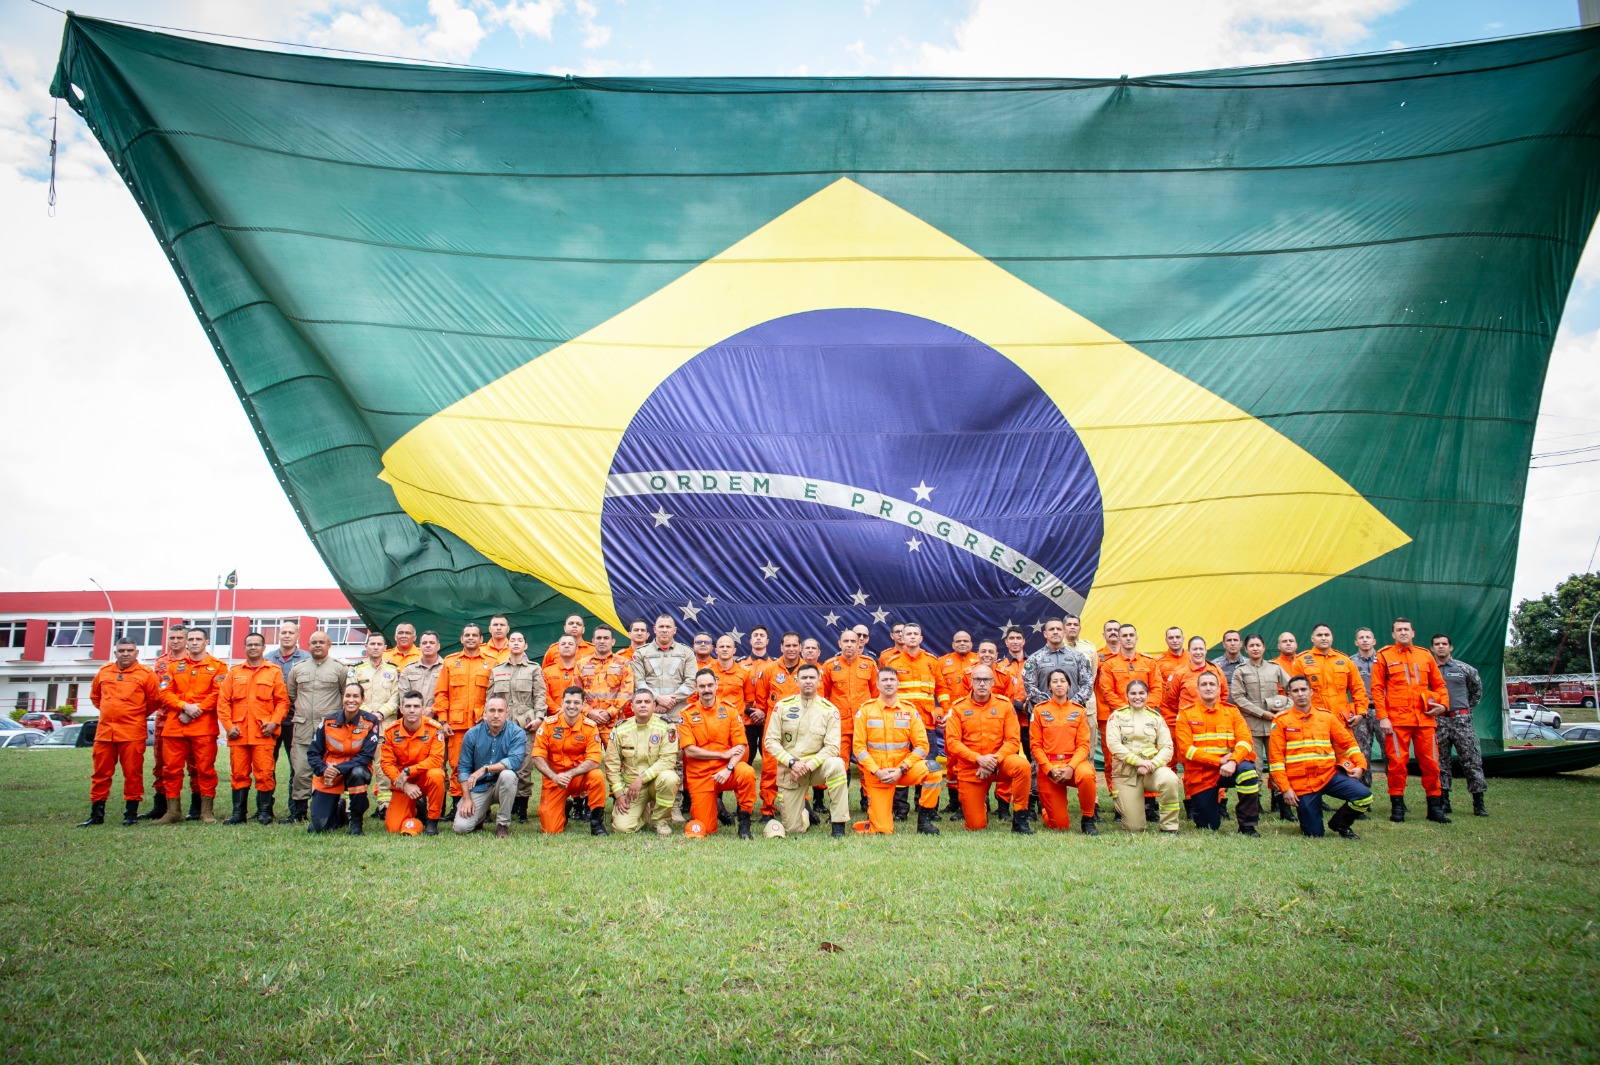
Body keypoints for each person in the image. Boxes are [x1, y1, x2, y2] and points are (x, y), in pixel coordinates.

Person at [80, 637, 173, 827]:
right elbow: (96, 697)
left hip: (132, 732)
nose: (125, 654)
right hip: (105, 732)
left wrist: (135, 713)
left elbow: (155, 700)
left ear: (136, 653)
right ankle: (97, 814)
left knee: (132, 774)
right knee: (100, 774)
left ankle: (130, 814)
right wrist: (111, 712)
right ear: (115, 652)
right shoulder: (104, 671)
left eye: (129, 650)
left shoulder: (145, 674)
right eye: (121, 650)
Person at [1270, 676, 1372, 838]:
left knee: (1364, 797)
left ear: (1311, 692)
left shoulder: (1327, 717)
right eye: (1295, 691)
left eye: (1303, 689)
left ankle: (1340, 824)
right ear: (1289, 695)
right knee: (1314, 834)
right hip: (1302, 783)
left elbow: (1348, 744)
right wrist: (1285, 789)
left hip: (1328, 776)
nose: (1300, 694)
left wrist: (1360, 765)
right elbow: (1276, 760)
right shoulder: (1281, 721)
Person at [1372, 618, 1450, 824]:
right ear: (1393, 634)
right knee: (1397, 764)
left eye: (1406, 629)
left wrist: (1443, 705)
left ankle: (1434, 808)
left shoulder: (1425, 655)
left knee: (1431, 764)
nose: (1403, 632)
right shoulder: (1384, 655)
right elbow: (1377, 689)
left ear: (1413, 633)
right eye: (1399, 630)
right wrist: (1383, 717)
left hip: (1425, 720)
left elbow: (1440, 685)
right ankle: (1397, 807)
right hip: (1397, 721)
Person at [853, 667, 944, 835]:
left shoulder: (909, 710)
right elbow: (858, 748)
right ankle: (872, 821)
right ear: (877, 685)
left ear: (898, 684)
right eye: (884, 680)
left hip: (903, 770)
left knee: (934, 769)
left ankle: (924, 822)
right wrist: (877, 771)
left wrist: (901, 769)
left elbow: (922, 746)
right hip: (878, 775)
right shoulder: (865, 710)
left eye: (892, 680)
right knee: (883, 830)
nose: (888, 683)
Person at [152, 627, 227, 825]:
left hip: (203, 727)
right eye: (191, 639)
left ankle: (206, 811)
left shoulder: (218, 666)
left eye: (198, 639)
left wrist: (197, 710)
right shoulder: (174, 667)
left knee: (205, 769)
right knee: (171, 769)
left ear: (206, 642)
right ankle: (173, 811)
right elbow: (164, 693)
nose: (194, 643)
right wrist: (184, 706)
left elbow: (218, 693)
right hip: (175, 725)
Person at [946, 666, 1033, 833]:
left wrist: (992, 761)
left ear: (993, 682)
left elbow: (1013, 740)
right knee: (975, 826)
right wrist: (979, 759)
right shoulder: (958, 708)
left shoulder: (1004, 705)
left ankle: (1020, 817)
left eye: (986, 680)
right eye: (978, 679)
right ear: (971, 682)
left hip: (999, 763)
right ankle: (980, 805)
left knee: (1022, 766)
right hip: (971, 766)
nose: (982, 684)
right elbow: (952, 743)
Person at [765, 664, 848, 837]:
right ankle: (805, 814)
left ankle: (838, 824)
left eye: (812, 678)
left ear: (819, 681)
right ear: (797, 681)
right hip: (791, 770)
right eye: (804, 678)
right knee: (793, 829)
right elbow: (770, 741)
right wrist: (792, 763)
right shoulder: (782, 707)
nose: (808, 681)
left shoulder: (829, 710)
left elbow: (833, 747)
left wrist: (808, 765)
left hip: (816, 767)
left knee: (837, 764)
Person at [217, 631, 290, 825]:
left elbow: (282, 702)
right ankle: (238, 813)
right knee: (238, 774)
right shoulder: (234, 672)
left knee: (264, 773)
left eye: (257, 644)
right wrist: (228, 726)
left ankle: (265, 812)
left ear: (264, 648)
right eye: (249, 644)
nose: (253, 647)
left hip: (263, 732)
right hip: (238, 733)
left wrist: (274, 722)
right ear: (244, 648)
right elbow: (223, 702)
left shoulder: (273, 671)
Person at [1174, 672, 1260, 834]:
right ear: (1197, 689)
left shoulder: (1232, 712)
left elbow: (1245, 742)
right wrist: (1219, 761)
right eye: (1204, 684)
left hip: (1230, 768)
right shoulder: (1186, 714)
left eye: (1212, 684)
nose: (1208, 688)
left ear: (1219, 688)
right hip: (1201, 775)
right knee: (1207, 826)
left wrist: (1233, 761)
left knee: (1247, 771)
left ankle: (1247, 825)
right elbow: (1186, 750)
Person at [1094, 624, 1165, 807]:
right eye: (1124, 635)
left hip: (1146, 718)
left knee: (1149, 754)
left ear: (1136, 638)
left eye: (1131, 635)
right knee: (1114, 760)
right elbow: (1107, 691)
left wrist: (1143, 710)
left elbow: (1157, 688)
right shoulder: (1109, 664)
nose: (1127, 638)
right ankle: (1120, 801)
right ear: (1118, 638)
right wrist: (1127, 712)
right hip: (1118, 719)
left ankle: (1149, 801)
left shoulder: (1149, 663)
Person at [681, 669, 756, 838]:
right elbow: (689, 750)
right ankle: (717, 806)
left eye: (710, 685)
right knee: (706, 828)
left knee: (746, 772)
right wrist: (722, 755)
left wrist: (729, 767)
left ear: (716, 685)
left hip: (726, 770)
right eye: (702, 686)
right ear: (696, 688)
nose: (706, 689)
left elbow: (741, 745)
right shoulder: (686, 714)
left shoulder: (729, 710)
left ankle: (744, 822)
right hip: (701, 775)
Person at [283, 630, 346, 825]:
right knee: (300, 769)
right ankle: (299, 811)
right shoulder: (297, 669)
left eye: (321, 642)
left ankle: (330, 807)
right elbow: (291, 695)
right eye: (314, 642)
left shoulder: (340, 669)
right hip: (303, 727)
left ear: (329, 645)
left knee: (330, 768)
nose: (317, 645)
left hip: (329, 730)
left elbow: (346, 696)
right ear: (308, 645)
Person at [529, 686, 608, 835]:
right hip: (555, 778)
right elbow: (537, 756)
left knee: (596, 776)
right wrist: (554, 776)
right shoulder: (548, 724)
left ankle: (597, 823)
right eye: (568, 702)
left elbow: (594, 760)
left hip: (579, 777)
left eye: (576, 702)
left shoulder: (590, 727)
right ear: (562, 703)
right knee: (551, 830)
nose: (572, 706)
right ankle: (564, 806)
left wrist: (569, 774)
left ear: (583, 705)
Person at [1104, 680, 1181, 833]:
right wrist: (1138, 762)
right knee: (1134, 827)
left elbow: (1167, 747)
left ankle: (1169, 826)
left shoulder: (1156, 718)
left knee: (1170, 779)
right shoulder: (1116, 717)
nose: (1137, 697)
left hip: (1151, 771)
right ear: (1126, 696)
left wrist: (1152, 764)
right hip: (1126, 773)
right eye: (1133, 693)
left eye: (1141, 693)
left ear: (1148, 695)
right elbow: (1113, 745)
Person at [434, 623, 496, 811]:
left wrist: (488, 715)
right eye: (467, 635)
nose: (470, 638)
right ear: (461, 639)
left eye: (474, 635)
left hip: (482, 725)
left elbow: (495, 694)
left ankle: (482, 807)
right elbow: (441, 693)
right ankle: (456, 805)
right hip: (456, 726)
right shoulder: (450, 662)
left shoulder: (491, 662)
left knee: (482, 765)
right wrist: (443, 720)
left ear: (481, 639)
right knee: (457, 765)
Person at [886, 622, 945, 820]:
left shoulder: (931, 662)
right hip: (900, 723)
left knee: (929, 764)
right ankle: (900, 809)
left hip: (926, 724)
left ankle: (927, 807)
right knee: (900, 762)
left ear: (921, 638)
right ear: (902, 638)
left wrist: (943, 710)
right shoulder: (893, 663)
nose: (912, 636)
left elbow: (942, 690)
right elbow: (886, 692)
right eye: (908, 633)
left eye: (915, 634)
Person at [1231, 634, 1292, 819]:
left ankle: (1284, 808)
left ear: (1264, 648)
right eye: (1251, 646)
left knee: (1278, 764)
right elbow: (1238, 697)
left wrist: (1285, 707)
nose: (1255, 648)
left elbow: (1293, 688)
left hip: (1275, 725)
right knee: (1255, 766)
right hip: (1252, 725)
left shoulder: (1275, 668)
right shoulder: (1241, 671)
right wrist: (1261, 713)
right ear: (1246, 649)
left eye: (1258, 645)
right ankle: (1254, 806)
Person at [307, 682, 381, 835]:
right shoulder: (328, 722)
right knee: (319, 828)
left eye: (355, 696)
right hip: (329, 774)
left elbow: (365, 757)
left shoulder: (370, 721)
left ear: (362, 700)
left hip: (354, 771)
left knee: (358, 773)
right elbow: (313, 753)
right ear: (343, 698)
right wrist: (324, 769)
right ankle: (339, 810)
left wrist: (338, 769)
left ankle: (356, 822)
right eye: (348, 696)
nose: (351, 700)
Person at [1029, 669, 1098, 834]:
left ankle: (1088, 819)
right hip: (1049, 766)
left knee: (1087, 775)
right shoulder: (1039, 711)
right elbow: (1035, 746)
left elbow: (1083, 745)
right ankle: (1048, 810)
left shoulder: (1079, 711)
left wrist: (1071, 767)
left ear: (1068, 686)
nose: (1059, 684)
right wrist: (1049, 769)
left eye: (1062, 681)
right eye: (1054, 681)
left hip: (1074, 763)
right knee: (1060, 825)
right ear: (1049, 687)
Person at [489, 632, 548, 822]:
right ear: (508, 645)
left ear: (525, 645)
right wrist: (487, 719)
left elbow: (540, 695)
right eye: (512, 640)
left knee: (524, 765)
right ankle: (506, 803)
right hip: (501, 724)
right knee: (501, 762)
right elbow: (489, 698)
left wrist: (539, 718)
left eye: (519, 641)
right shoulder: (497, 670)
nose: (516, 643)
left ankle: (521, 808)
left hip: (525, 724)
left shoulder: (533, 669)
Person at [604, 690, 681, 835]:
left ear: (654, 706)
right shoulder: (620, 729)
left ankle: (660, 821)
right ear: (632, 707)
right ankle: (643, 815)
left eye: (647, 702)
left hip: (656, 782)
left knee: (670, 778)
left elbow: (668, 760)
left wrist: (641, 778)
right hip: (632, 789)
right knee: (622, 828)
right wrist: (619, 794)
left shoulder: (666, 726)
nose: (643, 705)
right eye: (639, 702)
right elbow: (611, 765)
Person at [452, 695, 527, 837]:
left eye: (500, 711)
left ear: (507, 713)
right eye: (492, 710)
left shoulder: (517, 733)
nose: (496, 715)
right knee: (461, 828)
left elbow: (514, 761)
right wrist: (467, 798)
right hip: (479, 787)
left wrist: (485, 768)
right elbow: (463, 768)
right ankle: (480, 816)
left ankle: (502, 824)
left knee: (508, 775)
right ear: (485, 713)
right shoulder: (472, 734)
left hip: (503, 785)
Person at [1431, 634, 1487, 817]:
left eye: (1444, 644)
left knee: (1471, 760)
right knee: (1441, 762)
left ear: (1451, 647)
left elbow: (1476, 691)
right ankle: (1444, 800)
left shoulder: (1464, 668)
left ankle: (1478, 802)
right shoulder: (1428, 669)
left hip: (1461, 721)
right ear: (1432, 648)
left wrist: (1464, 709)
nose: (1441, 647)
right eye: (1437, 644)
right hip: (1438, 721)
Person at [821, 629, 877, 813]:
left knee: (867, 764)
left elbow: (876, 695)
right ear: (839, 644)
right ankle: (838, 805)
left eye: (853, 641)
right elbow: (823, 697)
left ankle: (869, 803)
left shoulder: (869, 664)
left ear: (859, 644)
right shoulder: (830, 666)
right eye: (846, 641)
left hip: (864, 726)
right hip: (840, 726)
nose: (850, 644)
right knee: (839, 766)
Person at [751, 632, 805, 821]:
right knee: (770, 767)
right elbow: (761, 699)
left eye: (795, 645)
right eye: (787, 645)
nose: (791, 649)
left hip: (801, 727)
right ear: (781, 647)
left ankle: (801, 807)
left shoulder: (808, 670)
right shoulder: (769, 669)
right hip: (774, 725)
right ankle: (768, 808)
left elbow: (816, 697)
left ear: (800, 647)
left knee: (800, 765)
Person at [259, 622, 307, 823]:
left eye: (291, 632)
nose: (287, 636)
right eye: (284, 632)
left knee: (297, 766)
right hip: (270, 721)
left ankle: (295, 809)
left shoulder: (306, 659)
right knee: (266, 765)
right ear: (278, 635)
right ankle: (264, 809)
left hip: (296, 720)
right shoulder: (267, 659)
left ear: (298, 635)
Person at [380, 690, 446, 834]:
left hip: (424, 778)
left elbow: (436, 760)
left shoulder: (435, 729)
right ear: (401, 709)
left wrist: (408, 771)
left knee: (437, 774)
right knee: (393, 827)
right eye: (408, 706)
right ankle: (417, 811)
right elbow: (386, 763)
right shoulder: (391, 731)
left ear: (423, 709)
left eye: (416, 706)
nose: (412, 710)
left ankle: (432, 821)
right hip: (403, 782)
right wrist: (404, 785)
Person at [1295, 625, 1367, 734]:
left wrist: (1361, 713)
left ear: (1332, 638)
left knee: (1346, 746)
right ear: (1312, 638)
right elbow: (1295, 693)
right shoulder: (1301, 661)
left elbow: (1358, 688)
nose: (1323, 638)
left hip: (1342, 721)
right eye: (1319, 635)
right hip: (1314, 721)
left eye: (1327, 635)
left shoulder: (1345, 660)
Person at [632, 615, 696, 722]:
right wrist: (658, 698)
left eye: (668, 627)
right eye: (661, 626)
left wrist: (669, 701)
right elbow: (639, 683)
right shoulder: (640, 653)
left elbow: (691, 683)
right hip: (651, 713)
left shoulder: (687, 652)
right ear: (654, 629)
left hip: (678, 713)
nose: (664, 630)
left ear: (674, 630)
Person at [579, 625, 634, 748]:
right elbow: (576, 694)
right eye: (599, 638)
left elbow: (627, 693)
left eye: (606, 638)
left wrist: (609, 713)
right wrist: (590, 712)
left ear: (613, 641)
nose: (602, 641)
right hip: (588, 723)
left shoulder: (623, 663)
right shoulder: (581, 664)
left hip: (614, 724)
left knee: (616, 759)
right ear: (593, 641)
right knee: (586, 758)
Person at [1350, 627, 1381, 783]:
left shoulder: (1383, 660)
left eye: (1368, 637)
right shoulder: (1350, 662)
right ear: (1356, 642)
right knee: (1362, 751)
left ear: (1374, 641)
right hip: (1361, 712)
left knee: (1390, 751)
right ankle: (1364, 788)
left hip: (1382, 712)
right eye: (1361, 638)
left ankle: (1395, 792)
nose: (1365, 640)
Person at [351, 633, 403, 723]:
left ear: (385, 648)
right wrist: (370, 714)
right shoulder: (356, 669)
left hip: (387, 721)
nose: (376, 647)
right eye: (372, 644)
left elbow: (396, 696)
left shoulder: (393, 669)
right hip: (362, 720)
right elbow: (352, 696)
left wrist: (381, 713)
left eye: (379, 644)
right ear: (366, 646)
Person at [399, 630, 445, 709]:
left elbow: (450, 695)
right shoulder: (409, 669)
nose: (428, 645)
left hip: (439, 714)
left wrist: (433, 710)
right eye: (424, 643)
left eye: (432, 643)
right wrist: (417, 710)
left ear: (438, 646)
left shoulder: (447, 668)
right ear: (420, 647)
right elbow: (403, 695)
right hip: (412, 713)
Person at [543, 633, 586, 710]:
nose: (566, 646)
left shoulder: (584, 670)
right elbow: (544, 695)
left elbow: (589, 693)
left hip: (580, 714)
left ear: (576, 649)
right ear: (558, 649)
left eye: (570, 644)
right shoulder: (547, 671)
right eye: (563, 644)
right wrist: (557, 710)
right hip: (554, 714)